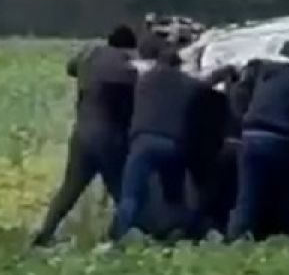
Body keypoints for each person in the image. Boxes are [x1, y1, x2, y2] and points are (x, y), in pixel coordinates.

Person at [109, 40, 235, 243]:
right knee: (176, 198)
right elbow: (207, 86)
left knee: (131, 195)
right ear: (178, 65)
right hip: (174, 146)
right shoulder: (186, 83)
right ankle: (184, 232)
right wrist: (224, 74)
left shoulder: (145, 79)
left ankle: (121, 236)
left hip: (144, 143)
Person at [31, 25, 138, 248]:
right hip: (109, 135)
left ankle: (45, 234)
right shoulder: (127, 69)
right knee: (122, 190)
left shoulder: (90, 54)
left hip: (82, 133)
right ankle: (122, 237)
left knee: (69, 190)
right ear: (129, 48)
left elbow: (71, 67)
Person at [227, 41, 289, 241]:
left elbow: (239, 99)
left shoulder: (263, 75)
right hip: (281, 139)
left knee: (248, 197)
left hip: (250, 136)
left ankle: (236, 239)